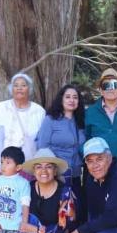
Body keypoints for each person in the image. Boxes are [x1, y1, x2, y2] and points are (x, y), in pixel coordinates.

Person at [36, 84, 86, 222]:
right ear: (61, 99)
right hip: (57, 174)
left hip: (75, 174)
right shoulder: (51, 120)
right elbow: (42, 147)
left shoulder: (80, 121)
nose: (72, 100)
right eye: (68, 97)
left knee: (74, 210)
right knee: (57, 211)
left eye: (75, 97)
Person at [0, 73, 45, 180]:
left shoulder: (39, 111)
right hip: (2, 165)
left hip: (28, 165)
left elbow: (41, 141)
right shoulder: (2, 107)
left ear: (30, 89)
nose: (19, 88)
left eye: (23, 85)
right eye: (16, 85)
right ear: (11, 89)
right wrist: (2, 166)